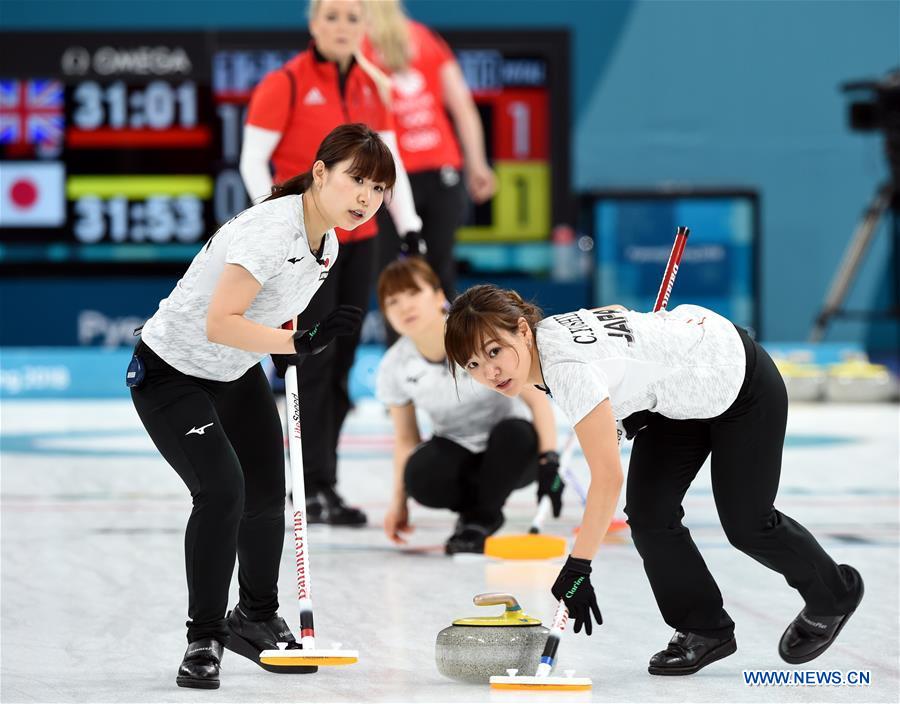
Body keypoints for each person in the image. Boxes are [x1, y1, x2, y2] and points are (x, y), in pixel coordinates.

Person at [444, 285, 864, 674]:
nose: (490, 372)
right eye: (474, 365)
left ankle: (835, 593)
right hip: (680, 396)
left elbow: (607, 479)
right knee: (648, 514)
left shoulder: (567, 370)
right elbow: (614, 313)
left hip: (739, 381)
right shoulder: (548, 330)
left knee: (747, 523)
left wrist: (578, 567)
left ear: (522, 329)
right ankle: (705, 628)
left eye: (495, 351)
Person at [130, 124, 395, 689]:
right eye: (356, 181)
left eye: (378, 189)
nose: (366, 199)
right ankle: (203, 637)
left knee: (269, 494)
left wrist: (288, 346)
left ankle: (252, 618)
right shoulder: (270, 230)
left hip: (233, 371)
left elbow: (270, 312)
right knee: (223, 490)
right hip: (172, 373)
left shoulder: (328, 242)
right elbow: (219, 322)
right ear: (320, 172)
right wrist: (298, 343)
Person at [240, 0, 423, 526]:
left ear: (367, 26)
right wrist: (275, 220)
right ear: (313, 23)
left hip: (359, 239)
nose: (343, 26)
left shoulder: (372, 83)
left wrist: (408, 225)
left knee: (340, 365)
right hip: (305, 238)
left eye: (353, 17)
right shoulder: (286, 82)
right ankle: (303, 484)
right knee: (309, 363)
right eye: (333, 16)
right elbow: (252, 158)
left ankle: (324, 483)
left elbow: (391, 163)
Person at [374, 258, 560, 553]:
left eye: (413, 293)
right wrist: (399, 502)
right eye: (393, 301)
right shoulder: (394, 366)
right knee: (419, 474)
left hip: (511, 451)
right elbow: (406, 439)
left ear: (438, 296)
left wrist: (550, 460)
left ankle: (481, 519)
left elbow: (537, 402)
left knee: (515, 434)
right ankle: (476, 510)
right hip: (457, 452)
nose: (405, 306)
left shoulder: (475, 334)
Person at [363, 0, 496, 302]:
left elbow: (461, 106)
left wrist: (477, 164)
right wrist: (477, 164)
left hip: (421, 173)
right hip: (401, 175)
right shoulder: (410, 38)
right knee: (432, 272)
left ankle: (434, 348)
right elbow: (462, 106)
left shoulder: (419, 38)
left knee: (394, 275)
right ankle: (432, 349)